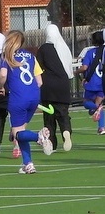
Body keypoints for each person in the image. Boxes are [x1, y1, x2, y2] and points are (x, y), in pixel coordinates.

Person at [0, 30, 53, 174]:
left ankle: (38, 137)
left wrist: (0, 87)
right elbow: (39, 81)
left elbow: (3, 75)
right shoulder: (31, 56)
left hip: (18, 99)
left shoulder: (7, 56)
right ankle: (28, 164)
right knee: (21, 131)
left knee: (17, 133)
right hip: (34, 97)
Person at [36, 24, 74, 152]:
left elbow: (37, 67)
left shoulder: (44, 48)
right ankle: (66, 131)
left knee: (49, 116)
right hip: (63, 84)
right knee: (63, 113)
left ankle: (51, 142)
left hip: (48, 86)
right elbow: (69, 67)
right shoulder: (64, 47)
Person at [75, 30, 105, 133]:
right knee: (99, 106)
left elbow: (84, 67)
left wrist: (76, 72)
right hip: (102, 83)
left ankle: (97, 109)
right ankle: (101, 128)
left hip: (92, 82)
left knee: (86, 103)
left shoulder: (90, 52)